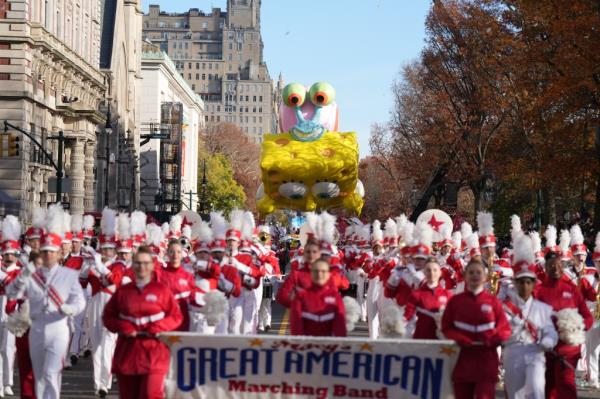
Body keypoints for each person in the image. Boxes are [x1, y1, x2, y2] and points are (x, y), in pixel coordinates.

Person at [7, 216, 86, 399]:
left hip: (58, 328)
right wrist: (22, 276)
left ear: (59, 253)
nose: (49, 254)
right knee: (39, 377)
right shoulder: (31, 275)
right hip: (36, 328)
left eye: (52, 251)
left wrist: (71, 309)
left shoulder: (68, 275)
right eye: (46, 251)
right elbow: (12, 293)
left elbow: (80, 301)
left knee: (51, 373)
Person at [102, 246, 182, 399]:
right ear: (132, 264)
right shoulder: (123, 291)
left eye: (146, 263)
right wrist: (124, 327)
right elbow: (108, 317)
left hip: (154, 352)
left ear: (152, 265)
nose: (141, 267)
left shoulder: (161, 290)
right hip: (128, 353)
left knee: (151, 394)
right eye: (138, 263)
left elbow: (176, 316)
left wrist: (157, 328)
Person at [441, 260, 511, 399]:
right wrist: (459, 338)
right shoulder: (456, 301)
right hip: (461, 359)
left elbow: (505, 330)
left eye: (478, 272)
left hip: (486, 361)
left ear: (485, 277)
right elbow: (446, 327)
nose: (474, 275)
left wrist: (493, 339)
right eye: (471, 272)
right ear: (465, 276)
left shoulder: (493, 302)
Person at [536, 251, 593, 399]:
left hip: (568, 350)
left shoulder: (572, 289)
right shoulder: (538, 291)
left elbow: (587, 316)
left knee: (567, 386)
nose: (555, 269)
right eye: (551, 266)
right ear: (546, 268)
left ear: (563, 267)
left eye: (558, 265)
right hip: (546, 350)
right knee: (548, 389)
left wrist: (578, 328)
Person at [503, 261, 558, 399]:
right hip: (513, 350)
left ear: (534, 284)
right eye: (521, 282)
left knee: (536, 391)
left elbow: (550, 330)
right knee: (515, 395)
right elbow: (499, 331)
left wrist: (548, 341)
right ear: (515, 284)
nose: (525, 286)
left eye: (528, 282)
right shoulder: (505, 308)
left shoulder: (542, 308)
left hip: (535, 351)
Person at [290, 259, 346, 337]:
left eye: (323, 271)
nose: (319, 274)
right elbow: (296, 326)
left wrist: (336, 346)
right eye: (316, 271)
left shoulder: (335, 296)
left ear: (328, 274)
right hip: (306, 346)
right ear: (311, 274)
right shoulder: (300, 296)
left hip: (329, 346)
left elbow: (340, 328)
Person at [403, 258, 452, 339]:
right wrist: (396, 325)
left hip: (441, 342)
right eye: (428, 270)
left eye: (435, 270)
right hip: (422, 339)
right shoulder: (416, 294)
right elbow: (407, 316)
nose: (432, 273)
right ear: (424, 273)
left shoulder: (447, 294)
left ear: (440, 273)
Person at [159, 240, 194, 331]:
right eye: (172, 251)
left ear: (182, 254)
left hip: (183, 321)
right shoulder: (159, 274)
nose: (175, 255)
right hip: (164, 321)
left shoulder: (188, 276)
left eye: (178, 252)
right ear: (167, 254)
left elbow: (193, 300)